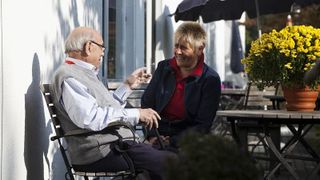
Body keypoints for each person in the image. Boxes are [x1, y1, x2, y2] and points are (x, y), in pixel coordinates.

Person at [51, 27, 174, 180]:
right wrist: (137, 114)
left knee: (169, 156)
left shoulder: (83, 73)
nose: (103, 51)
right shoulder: (70, 77)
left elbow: (105, 110)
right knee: (171, 163)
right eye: (102, 46)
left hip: (115, 145)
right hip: (101, 151)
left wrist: (127, 86)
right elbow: (91, 118)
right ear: (89, 47)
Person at [141, 22, 221, 149]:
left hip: (189, 141)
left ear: (200, 49)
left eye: (183, 47)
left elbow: (203, 124)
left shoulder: (210, 79)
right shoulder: (163, 68)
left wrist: (172, 141)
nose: (177, 52)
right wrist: (152, 136)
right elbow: (147, 103)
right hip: (157, 133)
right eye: (176, 46)